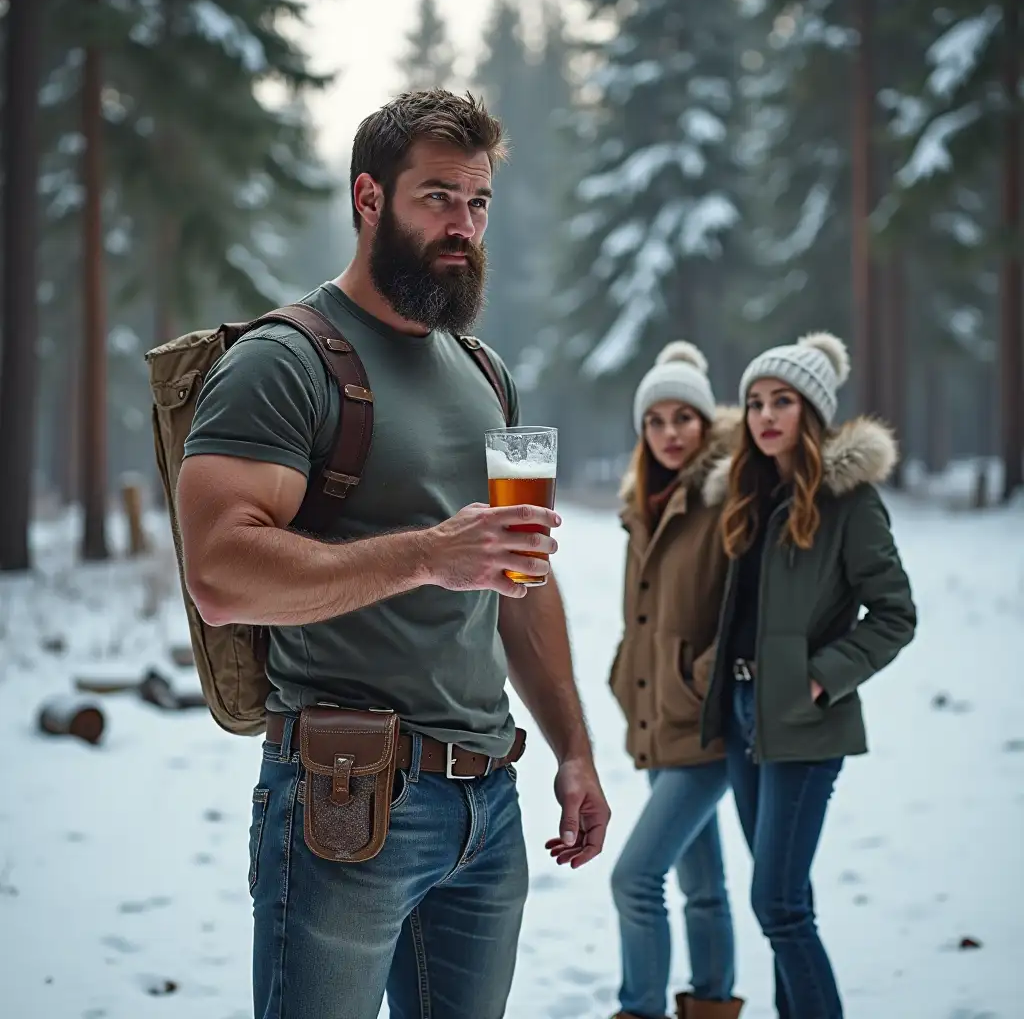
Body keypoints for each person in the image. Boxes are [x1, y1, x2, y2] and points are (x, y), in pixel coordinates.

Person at [175, 89, 611, 1019]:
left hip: (487, 806)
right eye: (438, 199)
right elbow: (219, 576)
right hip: (346, 803)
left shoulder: (487, 372)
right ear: (370, 199)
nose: (465, 226)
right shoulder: (282, 362)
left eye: (479, 202)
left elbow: (520, 579)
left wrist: (575, 752)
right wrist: (427, 556)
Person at [699, 332, 917, 1018]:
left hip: (802, 719)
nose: (765, 415)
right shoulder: (751, 497)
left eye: (782, 401)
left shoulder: (850, 505)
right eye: (756, 401)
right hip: (740, 715)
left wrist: (821, 676)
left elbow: (894, 614)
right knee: (784, 905)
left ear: (811, 413)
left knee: (779, 903)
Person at [608, 343, 746, 1019]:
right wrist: (626, 672)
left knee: (635, 879)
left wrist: (700, 678)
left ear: (705, 422)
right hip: (658, 716)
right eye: (655, 420)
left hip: (708, 722)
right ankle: (715, 1005)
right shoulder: (645, 504)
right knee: (703, 887)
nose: (669, 433)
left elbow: (745, 609)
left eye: (682, 418)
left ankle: (641, 1009)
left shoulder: (727, 498)